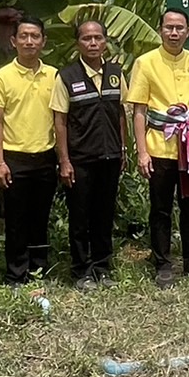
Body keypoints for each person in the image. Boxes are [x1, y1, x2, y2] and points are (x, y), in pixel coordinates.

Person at [126, 7, 189, 289]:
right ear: (160, 30)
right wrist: (141, 152)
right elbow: (139, 111)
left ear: (188, 32)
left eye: (180, 28)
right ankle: (162, 264)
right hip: (160, 147)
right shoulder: (145, 63)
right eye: (169, 27)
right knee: (160, 208)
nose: (174, 33)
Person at [53, 20, 127, 291]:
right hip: (80, 159)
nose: (93, 43)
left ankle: (102, 267)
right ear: (78, 43)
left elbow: (120, 113)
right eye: (87, 39)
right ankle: (82, 270)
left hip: (109, 157)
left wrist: (123, 149)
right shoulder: (67, 76)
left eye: (98, 38)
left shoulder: (116, 73)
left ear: (105, 41)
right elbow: (59, 120)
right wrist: (64, 161)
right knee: (80, 217)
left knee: (104, 215)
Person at [0, 15, 58, 285]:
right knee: (15, 221)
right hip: (14, 158)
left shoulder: (53, 75)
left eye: (35, 36)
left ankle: (39, 270)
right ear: (13, 41)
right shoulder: (1, 78)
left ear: (43, 41)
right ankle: (16, 275)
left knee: (40, 218)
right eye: (24, 36)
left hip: (46, 156)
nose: (29, 41)